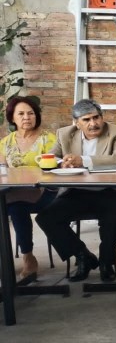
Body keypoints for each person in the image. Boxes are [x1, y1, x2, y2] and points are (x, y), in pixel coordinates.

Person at [36, 99, 116, 282]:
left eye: (96, 117)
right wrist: (62, 162)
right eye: (86, 120)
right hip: (76, 192)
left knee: (113, 217)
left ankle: (106, 262)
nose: (93, 123)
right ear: (77, 123)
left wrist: (83, 160)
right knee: (46, 218)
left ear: (102, 117)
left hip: (108, 190)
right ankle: (83, 256)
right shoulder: (65, 134)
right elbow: (52, 157)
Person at [0, 96, 57, 284]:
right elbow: (2, 170)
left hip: (45, 191)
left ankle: (27, 256)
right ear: (12, 118)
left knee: (16, 207)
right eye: (21, 114)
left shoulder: (48, 139)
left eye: (31, 113)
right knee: (13, 203)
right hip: (13, 192)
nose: (27, 117)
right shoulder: (5, 142)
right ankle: (4, 261)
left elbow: (54, 169)